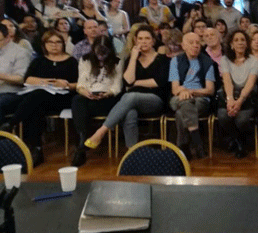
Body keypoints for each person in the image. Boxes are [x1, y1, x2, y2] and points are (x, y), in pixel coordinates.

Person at [82, 26, 170, 159]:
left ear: (153, 41)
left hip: (155, 100)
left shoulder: (163, 59)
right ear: (135, 41)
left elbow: (159, 82)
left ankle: (101, 131)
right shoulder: (131, 59)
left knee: (130, 95)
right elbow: (128, 81)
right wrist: (134, 58)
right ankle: (132, 152)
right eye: (140, 39)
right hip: (131, 101)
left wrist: (136, 83)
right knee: (129, 112)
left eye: (147, 38)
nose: (144, 41)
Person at [1, 30, 78, 165]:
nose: (54, 45)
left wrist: (66, 84)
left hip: (64, 97)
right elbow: (27, 79)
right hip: (41, 99)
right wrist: (45, 82)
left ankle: (12, 124)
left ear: (63, 44)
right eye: (50, 42)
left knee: (35, 98)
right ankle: (36, 149)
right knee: (35, 107)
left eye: (58, 42)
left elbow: (79, 84)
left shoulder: (71, 61)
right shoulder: (39, 61)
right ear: (44, 45)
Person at [70, 36, 123, 166]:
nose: (101, 57)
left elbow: (117, 86)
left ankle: (82, 146)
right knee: (77, 100)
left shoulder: (117, 61)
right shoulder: (85, 59)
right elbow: (81, 83)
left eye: (104, 53)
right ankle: (82, 141)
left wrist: (107, 93)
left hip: (108, 97)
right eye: (98, 53)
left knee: (83, 109)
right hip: (88, 94)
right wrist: (84, 92)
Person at [169, 32, 216, 159]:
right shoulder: (175, 61)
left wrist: (190, 91)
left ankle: (183, 148)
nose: (195, 45)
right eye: (191, 43)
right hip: (178, 97)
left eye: (197, 43)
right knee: (185, 103)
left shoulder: (207, 62)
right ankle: (197, 141)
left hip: (200, 98)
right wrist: (183, 92)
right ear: (183, 46)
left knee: (181, 112)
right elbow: (174, 89)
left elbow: (210, 90)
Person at [218, 29, 258, 158]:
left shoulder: (254, 61)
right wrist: (230, 100)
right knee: (223, 116)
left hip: (247, 96)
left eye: (242, 40)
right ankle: (238, 140)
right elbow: (227, 81)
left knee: (242, 120)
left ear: (247, 44)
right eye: (236, 40)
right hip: (229, 94)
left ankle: (242, 141)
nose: (240, 42)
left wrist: (239, 101)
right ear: (231, 44)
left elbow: (250, 83)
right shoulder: (225, 59)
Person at [0, 23, 31, 125]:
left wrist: (1, 76)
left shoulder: (20, 52)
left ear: (8, 38)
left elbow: (22, 79)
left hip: (12, 93)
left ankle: (3, 134)